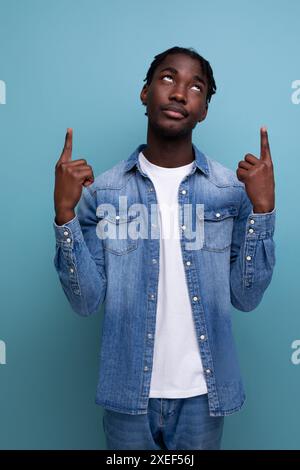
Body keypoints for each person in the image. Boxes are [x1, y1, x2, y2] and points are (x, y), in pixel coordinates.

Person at [53, 46, 276, 450]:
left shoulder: (231, 191)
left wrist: (262, 210)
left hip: (202, 397)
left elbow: (246, 298)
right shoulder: (103, 191)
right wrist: (66, 215)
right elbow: (85, 301)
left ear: (204, 109)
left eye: (196, 87)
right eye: (168, 78)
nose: (179, 93)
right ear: (145, 92)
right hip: (127, 395)